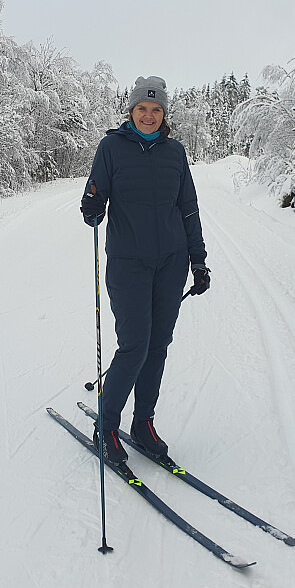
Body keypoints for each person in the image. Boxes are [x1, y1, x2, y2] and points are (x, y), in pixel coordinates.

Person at [80, 75, 211, 465]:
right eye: (142, 108)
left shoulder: (175, 153)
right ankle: (106, 427)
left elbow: (188, 207)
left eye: (156, 109)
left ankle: (143, 423)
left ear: (164, 113)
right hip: (127, 263)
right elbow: (94, 194)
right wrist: (92, 207)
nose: (149, 115)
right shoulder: (111, 148)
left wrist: (199, 260)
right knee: (135, 345)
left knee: (158, 346)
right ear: (132, 111)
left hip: (171, 265)